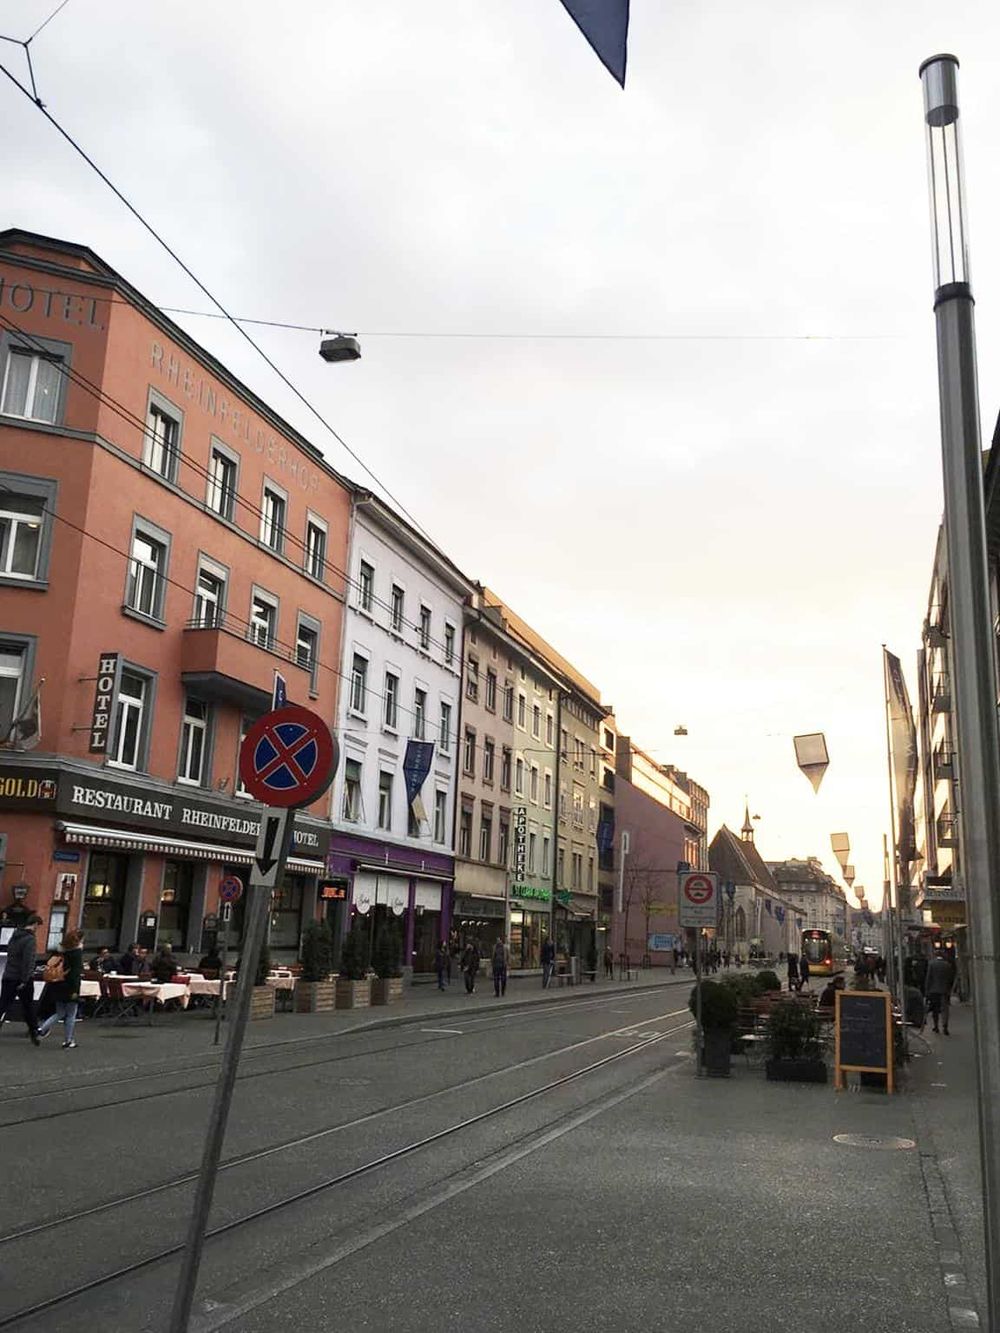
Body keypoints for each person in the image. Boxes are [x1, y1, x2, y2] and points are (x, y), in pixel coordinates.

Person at [37, 928, 85, 1049]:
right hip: (70, 987)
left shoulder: (59, 951)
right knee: (71, 1014)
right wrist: (75, 990)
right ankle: (68, 1040)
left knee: (60, 1012)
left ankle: (41, 1029)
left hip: (57, 984)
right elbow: (75, 973)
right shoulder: (76, 953)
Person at [0, 913, 42, 1045]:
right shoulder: (30, 940)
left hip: (8, 975)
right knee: (28, 1006)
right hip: (22, 977)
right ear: (35, 925)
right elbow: (28, 961)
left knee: (3, 1004)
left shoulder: (14, 937)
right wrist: (25, 979)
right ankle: (34, 1031)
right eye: (38, 926)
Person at [925, 950, 956, 1035]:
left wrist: (927, 990)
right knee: (944, 1009)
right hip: (944, 990)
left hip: (934, 990)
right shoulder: (947, 965)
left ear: (935, 955)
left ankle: (936, 1026)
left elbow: (929, 978)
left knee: (935, 1009)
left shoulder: (931, 964)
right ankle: (945, 1026)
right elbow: (950, 978)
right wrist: (949, 989)